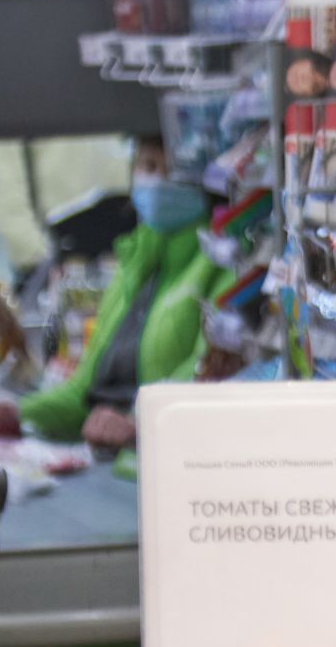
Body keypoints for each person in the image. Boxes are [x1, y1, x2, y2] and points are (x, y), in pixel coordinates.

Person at [20, 137, 231, 453]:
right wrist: (12, 412)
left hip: (170, 459)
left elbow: (208, 371)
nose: (158, 180)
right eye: (148, 166)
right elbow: (83, 392)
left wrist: (139, 421)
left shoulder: (222, 263)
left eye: (172, 169)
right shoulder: (134, 260)